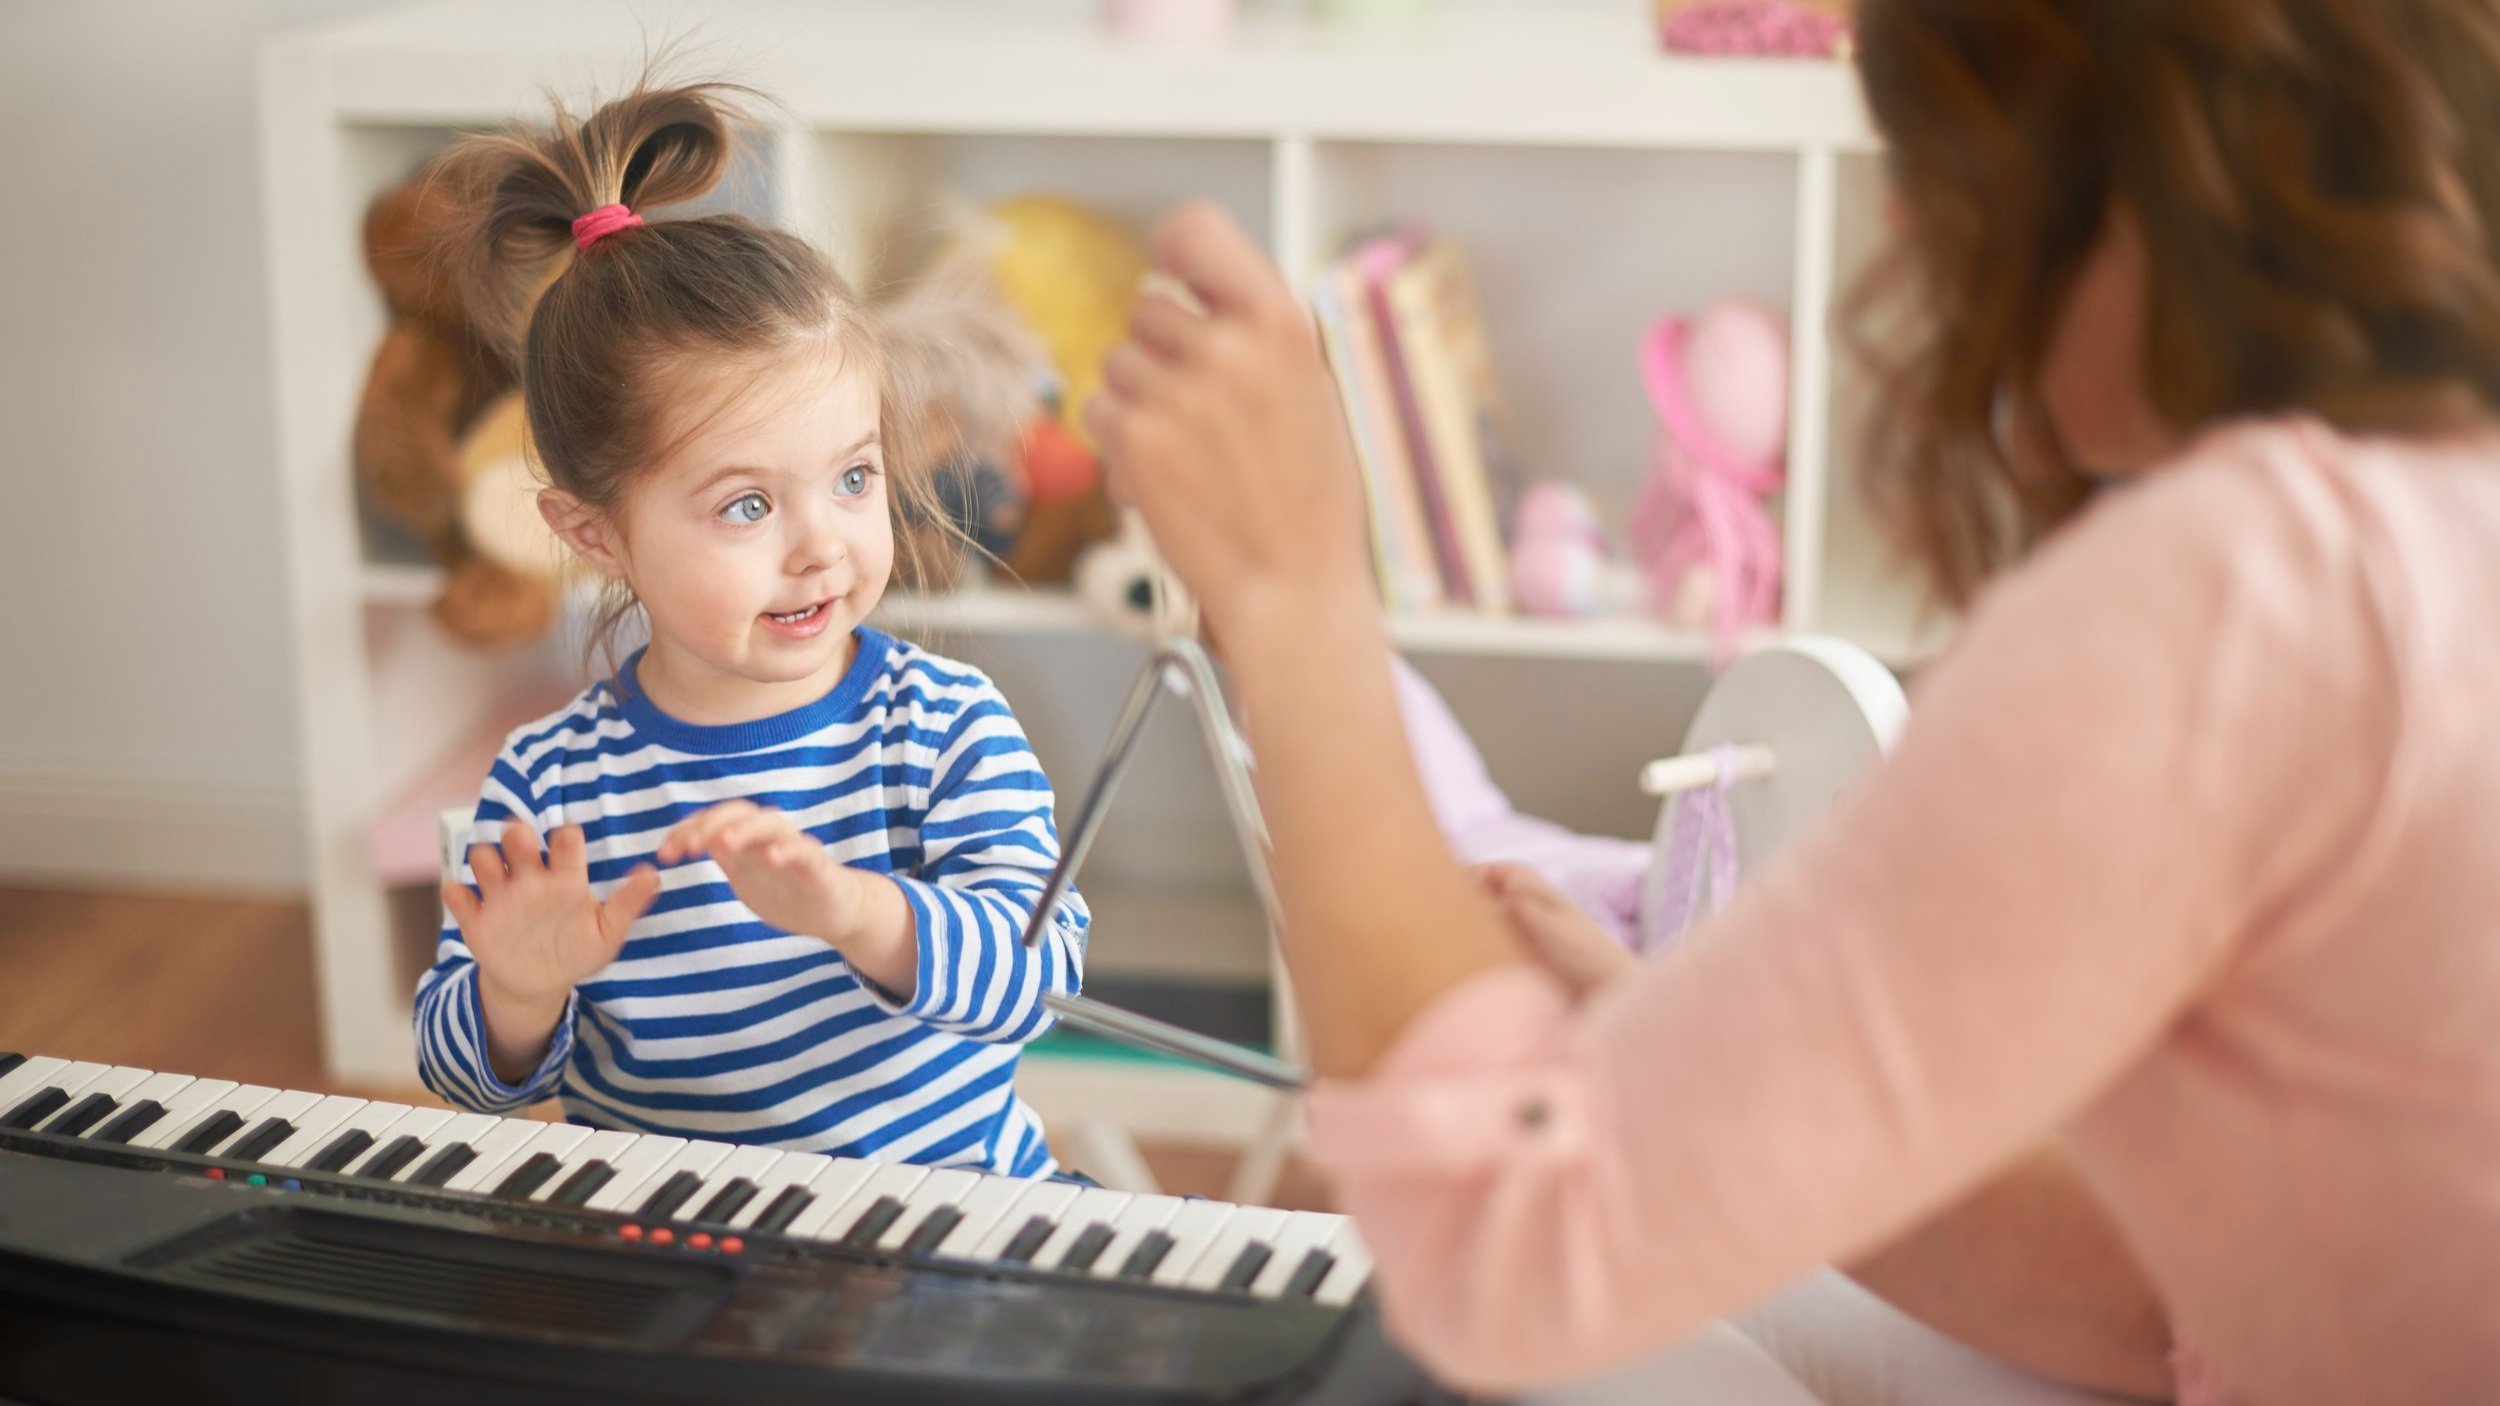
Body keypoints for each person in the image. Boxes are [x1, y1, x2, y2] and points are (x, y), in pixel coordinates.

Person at [1087, 0, 2500, 1399]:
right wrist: (1688, 1059)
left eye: (1930, 151)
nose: (1904, 225)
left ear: (2121, 151)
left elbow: (1502, 1246)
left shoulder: (2247, 587)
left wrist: (1292, 594)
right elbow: (2165, 1304)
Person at [413, 82, 1090, 1178]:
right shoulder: (550, 782)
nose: (820, 546)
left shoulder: (945, 725)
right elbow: (461, 1075)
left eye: (853, 478)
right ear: (594, 533)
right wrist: (517, 992)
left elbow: (1039, 981)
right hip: (669, 1243)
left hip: (944, 1225)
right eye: (746, 505)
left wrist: (859, 911)